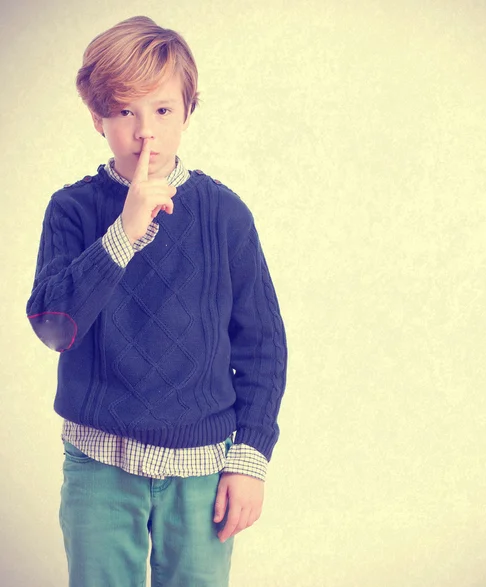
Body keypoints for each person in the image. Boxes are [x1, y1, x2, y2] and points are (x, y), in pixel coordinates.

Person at [25, 15, 287, 587]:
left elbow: (263, 345)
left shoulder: (224, 214)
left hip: (202, 466)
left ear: (188, 111)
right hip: (100, 465)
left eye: (163, 110)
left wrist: (250, 459)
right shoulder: (72, 210)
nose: (147, 132)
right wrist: (123, 232)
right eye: (125, 111)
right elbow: (53, 328)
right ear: (98, 118)